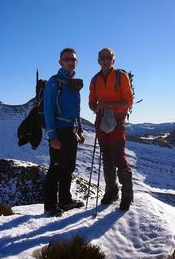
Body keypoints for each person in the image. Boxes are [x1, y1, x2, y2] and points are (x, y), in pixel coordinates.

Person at [89, 47, 134, 211]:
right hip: (101, 122)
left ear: (113, 60)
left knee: (118, 157)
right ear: (98, 60)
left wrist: (106, 105)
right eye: (103, 57)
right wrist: (97, 108)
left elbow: (128, 102)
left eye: (108, 57)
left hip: (117, 121)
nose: (105, 60)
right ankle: (112, 191)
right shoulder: (94, 80)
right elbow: (91, 103)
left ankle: (127, 195)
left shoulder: (120, 76)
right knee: (107, 157)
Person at [43, 47, 85, 217]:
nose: (70, 62)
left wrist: (79, 129)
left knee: (68, 167)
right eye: (66, 59)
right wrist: (53, 136)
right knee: (56, 168)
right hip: (59, 131)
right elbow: (48, 110)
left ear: (76, 62)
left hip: (71, 130)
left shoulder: (73, 83)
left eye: (72, 59)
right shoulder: (54, 82)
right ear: (60, 62)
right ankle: (50, 206)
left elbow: (76, 110)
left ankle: (65, 201)